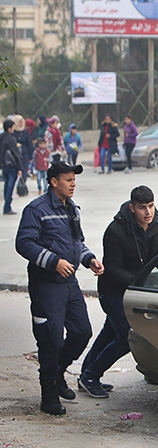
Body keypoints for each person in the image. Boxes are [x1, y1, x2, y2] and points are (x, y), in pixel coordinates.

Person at [15, 161, 104, 415]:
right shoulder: (36, 210)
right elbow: (24, 243)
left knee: (81, 332)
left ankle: (58, 374)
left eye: (74, 180)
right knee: (50, 340)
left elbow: (78, 242)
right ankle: (48, 395)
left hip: (70, 284)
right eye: (68, 179)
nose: (73, 184)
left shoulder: (72, 208)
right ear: (54, 182)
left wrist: (89, 259)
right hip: (46, 286)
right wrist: (54, 262)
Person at [79, 186, 158, 398]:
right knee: (126, 336)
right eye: (142, 207)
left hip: (135, 290)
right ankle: (92, 375)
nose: (148, 212)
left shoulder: (156, 223)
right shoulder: (115, 230)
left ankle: (85, 375)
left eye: (151, 206)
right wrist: (139, 283)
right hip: (113, 291)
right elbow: (113, 269)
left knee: (110, 331)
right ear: (132, 207)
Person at [1, 119, 23, 215]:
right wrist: (19, 167)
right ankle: (7, 206)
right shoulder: (10, 139)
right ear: (9, 128)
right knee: (10, 185)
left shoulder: (1, 137)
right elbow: (15, 153)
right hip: (12, 165)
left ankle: (7, 205)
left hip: (3, 165)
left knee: (6, 184)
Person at [12, 114, 33, 183]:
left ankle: (22, 185)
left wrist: (30, 156)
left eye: (22, 122)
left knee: (24, 170)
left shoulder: (25, 132)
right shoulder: (12, 132)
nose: (21, 124)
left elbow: (28, 143)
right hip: (15, 154)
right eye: (19, 122)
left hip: (24, 153)